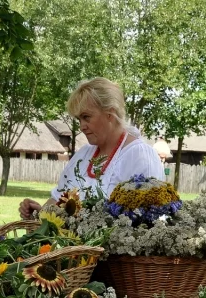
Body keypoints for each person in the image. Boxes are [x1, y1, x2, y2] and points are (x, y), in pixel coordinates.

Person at [19, 77, 164, 219]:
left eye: (86, 117)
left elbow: (150, 221)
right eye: (79, 119)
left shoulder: (140, 156)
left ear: (110, 113)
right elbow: (58, 201)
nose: (82, 126)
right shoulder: (83, 155)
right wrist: (39, 214)